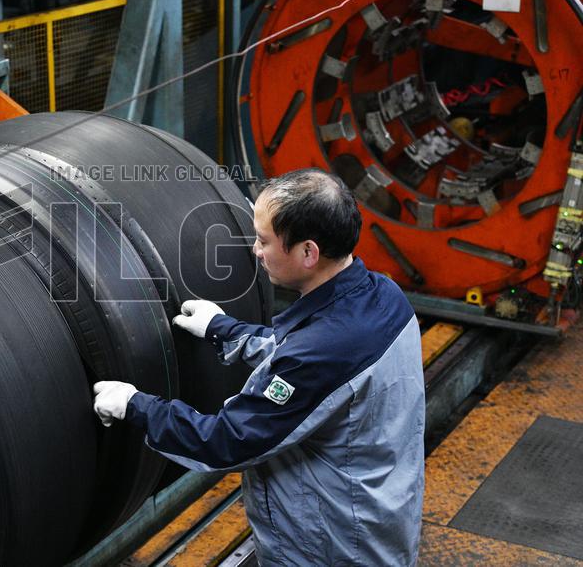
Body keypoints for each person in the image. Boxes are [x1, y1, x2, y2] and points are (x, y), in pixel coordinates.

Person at [92, 169, 425, 565]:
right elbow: (308, 359)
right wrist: (224, 329)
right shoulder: (383, 296)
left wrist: (136, 405)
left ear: (308, 253)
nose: (255, 250)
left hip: (333, 546)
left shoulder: (319, 354)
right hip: (380, 515)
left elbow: (227, 442)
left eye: (264, 241)